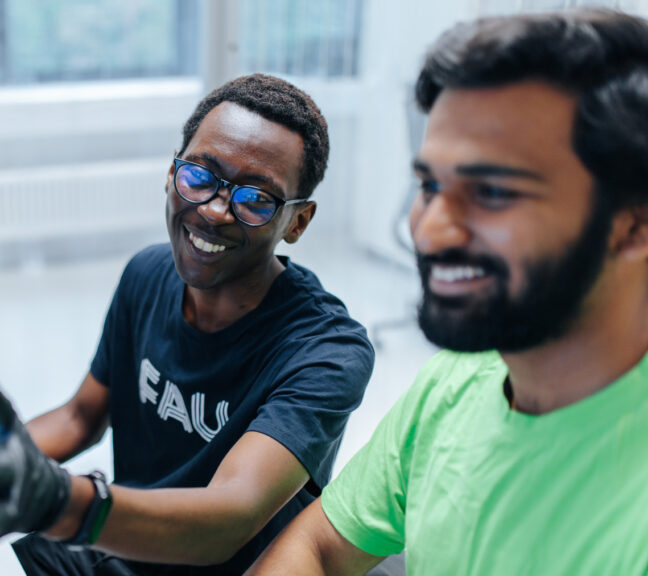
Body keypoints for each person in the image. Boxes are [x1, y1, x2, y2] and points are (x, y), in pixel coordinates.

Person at [0, 74, 375, 574]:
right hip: (122, 542)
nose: (214, 210)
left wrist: (70, 507)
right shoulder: (147, 274)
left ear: (297, 222)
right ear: (171, 175)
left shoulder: (326, 351)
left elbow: (228, 518)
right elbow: (79, 417)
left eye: (256, 198)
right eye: (199, 176)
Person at [247, 9, 648, 576]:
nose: (429, 229)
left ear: (634, 226)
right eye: (430, 186)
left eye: (492, 192)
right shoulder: (459, 381)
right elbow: (316, 546)